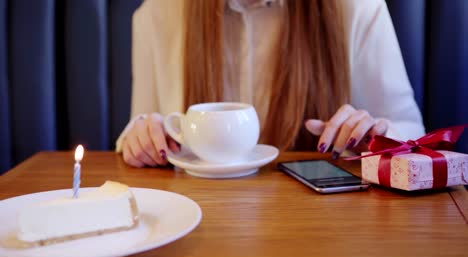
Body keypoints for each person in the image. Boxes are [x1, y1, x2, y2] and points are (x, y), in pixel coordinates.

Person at [116, 0, 425, 168]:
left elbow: (413, 135)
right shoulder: (158, 12)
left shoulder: (358, 8)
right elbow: (143, 123)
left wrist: (376, 137)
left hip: (322, 226)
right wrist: (141, 136)